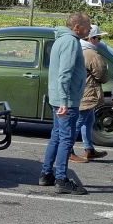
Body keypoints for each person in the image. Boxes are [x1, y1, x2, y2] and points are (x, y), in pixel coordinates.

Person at [39, 12, 91, 194]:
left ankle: (46, 174)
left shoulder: (61, 39)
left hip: (60, 98)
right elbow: (65, 74)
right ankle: (61, 179)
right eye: (88, 25)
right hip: (66, 100)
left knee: (57, 136)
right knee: (66, 139)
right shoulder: (70, 41)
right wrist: (64, 101)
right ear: (77, 27)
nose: (90, 28)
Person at [70, 24, 109, 163]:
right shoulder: (91, 53)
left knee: (88, 120)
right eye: (98, 38)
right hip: (87, 93)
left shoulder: (77, 48)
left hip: (79, 91)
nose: (99, 41)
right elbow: (102, 75)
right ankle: (69, 150)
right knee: (79, 122)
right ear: (91, 38)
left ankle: (89, 149)